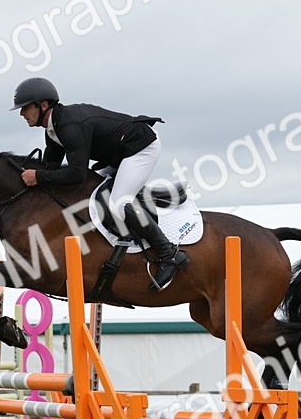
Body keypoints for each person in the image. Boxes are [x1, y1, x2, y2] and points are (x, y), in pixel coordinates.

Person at [11, 77, 189, 290]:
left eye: (25, 108)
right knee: (96, 189)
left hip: (141, 147)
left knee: (118, 205)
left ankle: (169, 254)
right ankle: (151, 196)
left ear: (43, 105)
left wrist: (38, 176)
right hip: (119, 154)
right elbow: (51, 168)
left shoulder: (69, 126)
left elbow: (77, 175)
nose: (22, 113)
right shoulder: (53, 129)